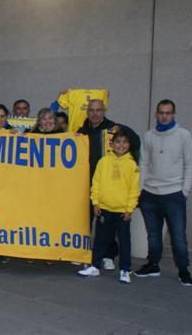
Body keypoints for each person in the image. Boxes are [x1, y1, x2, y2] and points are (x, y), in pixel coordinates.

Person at [135, 100, 192, 286]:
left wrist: (184, 190)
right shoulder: (148, 136)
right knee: (153, 234)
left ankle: (183, 269)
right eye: (161, 112)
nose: (164, 116)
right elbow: (143, 163)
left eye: (168, 113)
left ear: (173, 114)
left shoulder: (184, 135)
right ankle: (153, 264)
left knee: (178, 235)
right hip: (150, 194)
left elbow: (189, 163)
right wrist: (140, 189)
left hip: (174, 194)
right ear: (156, 114)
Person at [78, 99, 140, 271]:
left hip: (110, 185)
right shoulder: (81, 132)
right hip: (86, 183)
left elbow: (135, 142)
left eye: (98, 110)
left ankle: (109, 255)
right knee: (87, 222)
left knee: (111, 227)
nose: (95, 113)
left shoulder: (113, 129)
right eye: (91, 110)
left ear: (104, 111)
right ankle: (85, 254)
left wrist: (123, 129)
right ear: (87, 112)